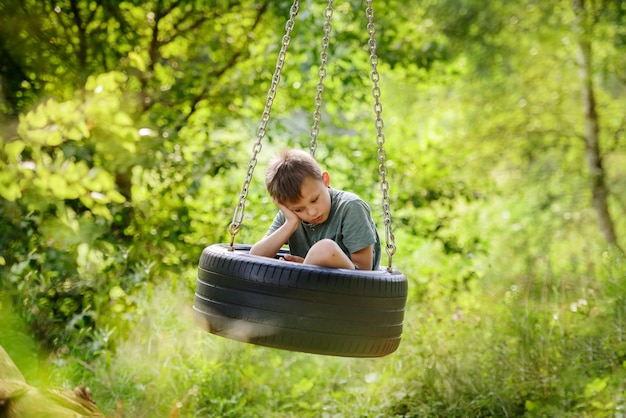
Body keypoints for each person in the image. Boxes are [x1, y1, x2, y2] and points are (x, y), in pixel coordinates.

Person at [250, 148, 381, 270]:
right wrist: (291, 224)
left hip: (353, 289)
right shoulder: (291, 216)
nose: (312, 212)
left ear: (325, 180)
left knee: (324, 249)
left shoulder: (350, 207)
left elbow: (364, 271)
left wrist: (308, 267)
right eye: (299, 209)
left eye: (314, 200)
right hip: (315, 290)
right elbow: (255, 257)